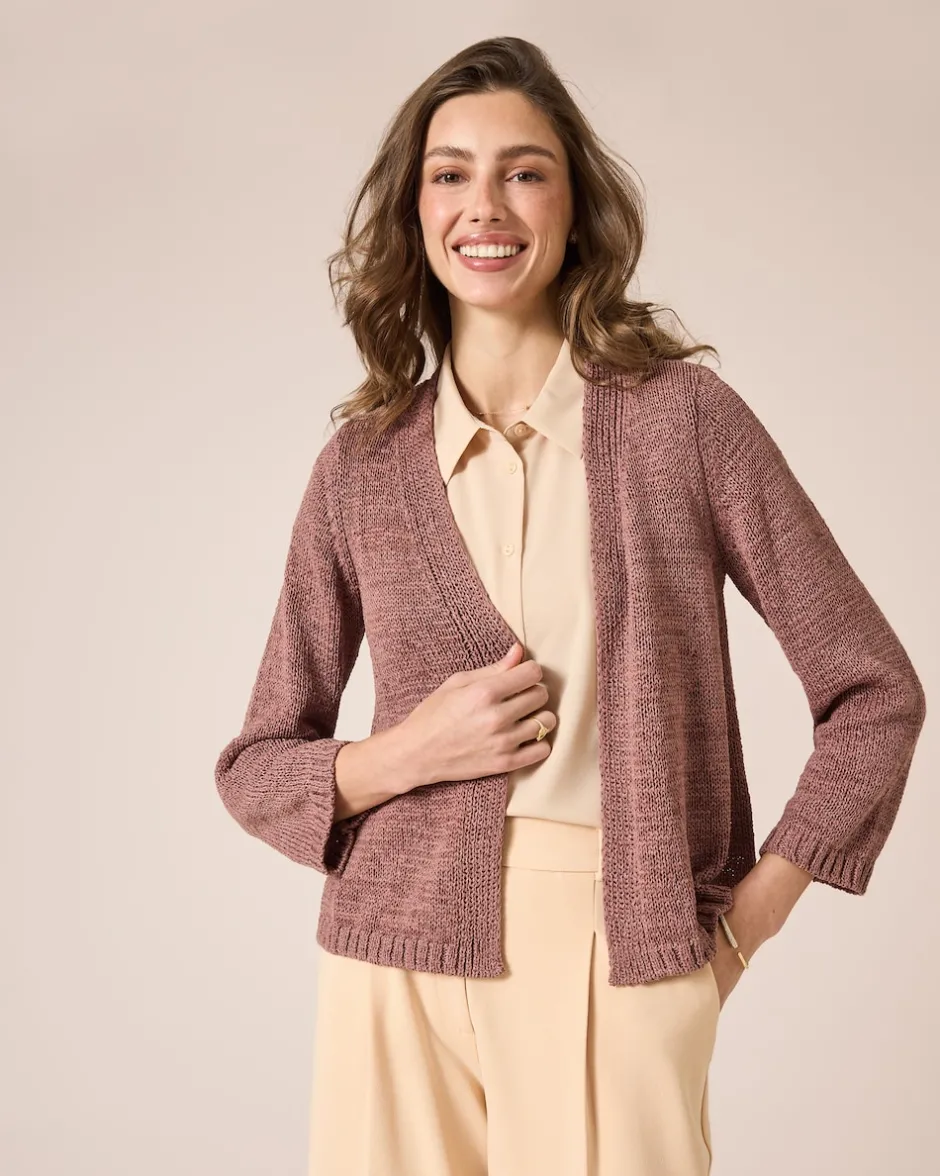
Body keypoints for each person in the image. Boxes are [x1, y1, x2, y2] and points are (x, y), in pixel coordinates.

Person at [214, 36, 927, 1176]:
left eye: (524, 171)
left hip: (616, 941)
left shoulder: (682, 423)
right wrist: (403, 755)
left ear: (575, 207)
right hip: (388, 964)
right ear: (414, 211)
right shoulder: (359, 467)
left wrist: (744, 924)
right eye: (450, 173)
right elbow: (256, 763)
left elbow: (875, 692)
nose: (484, 206)